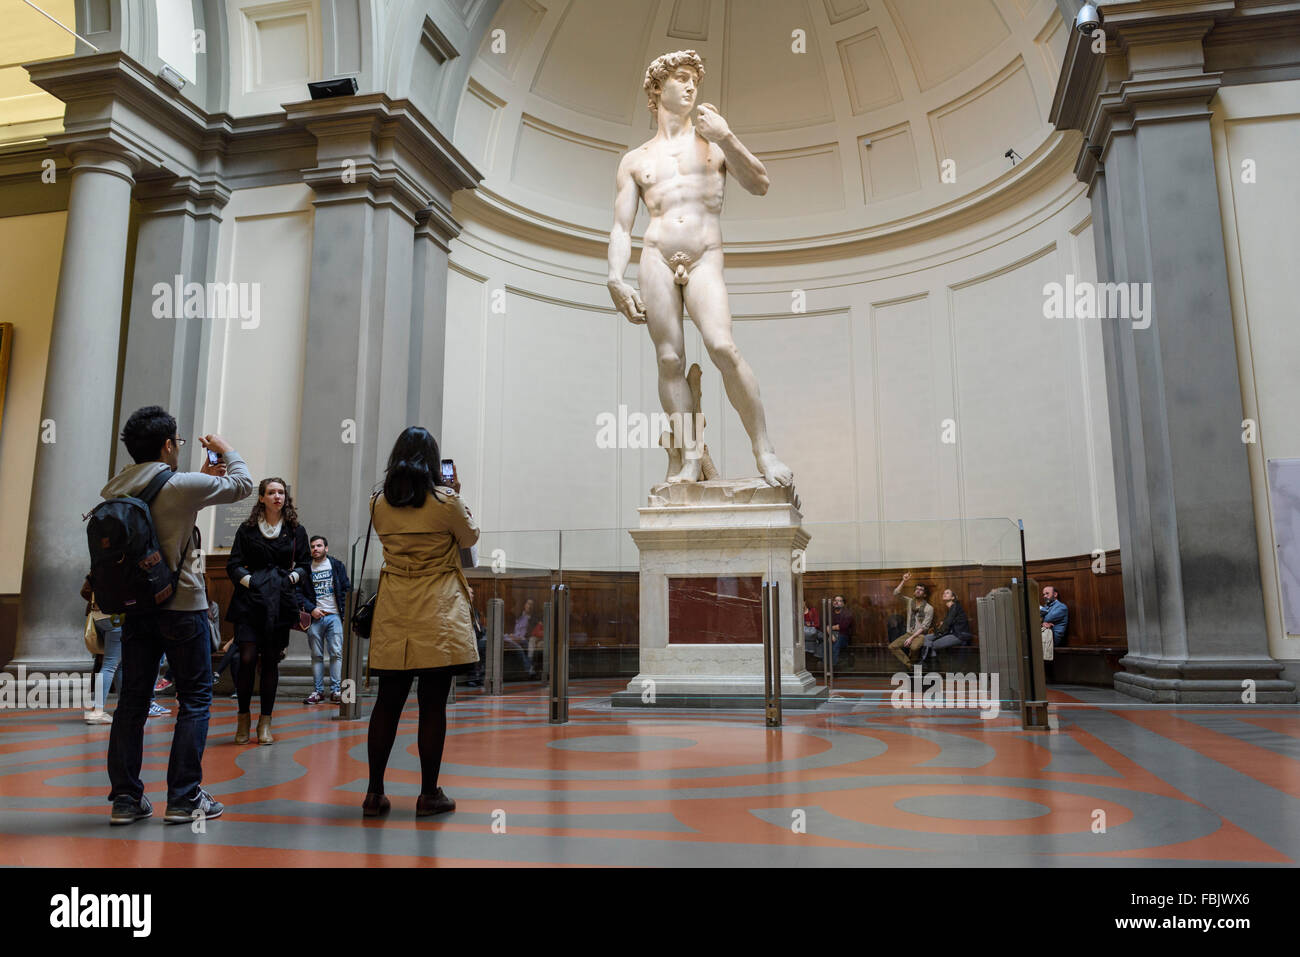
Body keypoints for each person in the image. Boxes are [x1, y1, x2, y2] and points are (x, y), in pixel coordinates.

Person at [606, 50, 792, 488]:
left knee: (722, 347)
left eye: (695, 80)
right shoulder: (635, 160)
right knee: (670, 359)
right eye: (682, 78)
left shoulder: (714, 143)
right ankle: (690, 458)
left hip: (705, 254)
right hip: (655, 254)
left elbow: (760, 184)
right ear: (657, 89)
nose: (692, 87)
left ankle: (764, 451)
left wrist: (727, 137)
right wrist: (614, 277)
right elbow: (620, 227)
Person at [103, 406, 253, 825]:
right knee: (195, 698)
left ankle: (126, 800)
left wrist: (198, 485)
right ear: (168, 445)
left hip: (137, 609)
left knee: (131, 701)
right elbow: (244, 484)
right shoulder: (181, 484)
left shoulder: (115, 487)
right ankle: (185, 798)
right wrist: (228, 450)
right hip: (182, 605)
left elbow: (159, 523)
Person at [362, 427, 480, 818]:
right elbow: (470, 536)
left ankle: (374, 793)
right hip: (438, 609)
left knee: (387, 702)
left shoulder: (378, 503)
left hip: (396, 607)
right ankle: (429, 794)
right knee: (432, 705)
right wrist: (456, 492)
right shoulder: (445, 501)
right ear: (433, 462)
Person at [225, 477, 311, 745]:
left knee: (271, 661)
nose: (277, 496)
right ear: (261, 497)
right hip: (251, 600)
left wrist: (291, 579)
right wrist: (251, 582)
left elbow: (305, 563)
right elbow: (234, 563)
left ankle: (265, 722)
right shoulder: (247, 528)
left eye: (281, 492)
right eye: (271, 492)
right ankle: (243, 719)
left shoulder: (296, 530)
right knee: (247, 657)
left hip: (280, 601)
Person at [303, 535, 351, 705]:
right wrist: (311, 608)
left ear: (326, 548)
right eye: (313, 546)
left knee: (336, 654)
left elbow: (346, 588)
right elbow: (297, 594)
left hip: (334, 616)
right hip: (315, 618)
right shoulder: (305, 568)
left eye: (319, 546)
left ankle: (336, 691)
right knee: (316, 656)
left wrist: (345, 613)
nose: (315, 549)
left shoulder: (336, 565)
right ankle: (318, 691)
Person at [888, 572, 934, 669]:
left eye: (921, 590)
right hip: (908, 633)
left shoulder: (929, 608)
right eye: (917, 589)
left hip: (920, 635)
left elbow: (924, 627)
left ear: (925, 594)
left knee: (913, 647)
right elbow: (896, 593)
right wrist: (904, 581)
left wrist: (911, 638)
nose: (918, 591)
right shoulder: (909, 602)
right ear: (914, 591)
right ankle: (910, 665)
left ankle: (914, 663)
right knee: (892, 646)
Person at [921, 589, 973, 662]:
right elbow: (947, 623)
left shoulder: (955, 606)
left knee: (932, 644)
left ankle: (930, 664)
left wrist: (938, 632)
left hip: (959, 635)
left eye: (947, 593)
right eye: (944, 593)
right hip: (953, 633)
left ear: (952, 597)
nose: (944, 594)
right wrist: (940, 628)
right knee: (927, 638)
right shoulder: (952, 608)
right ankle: (928, 663)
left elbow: (947, 624)